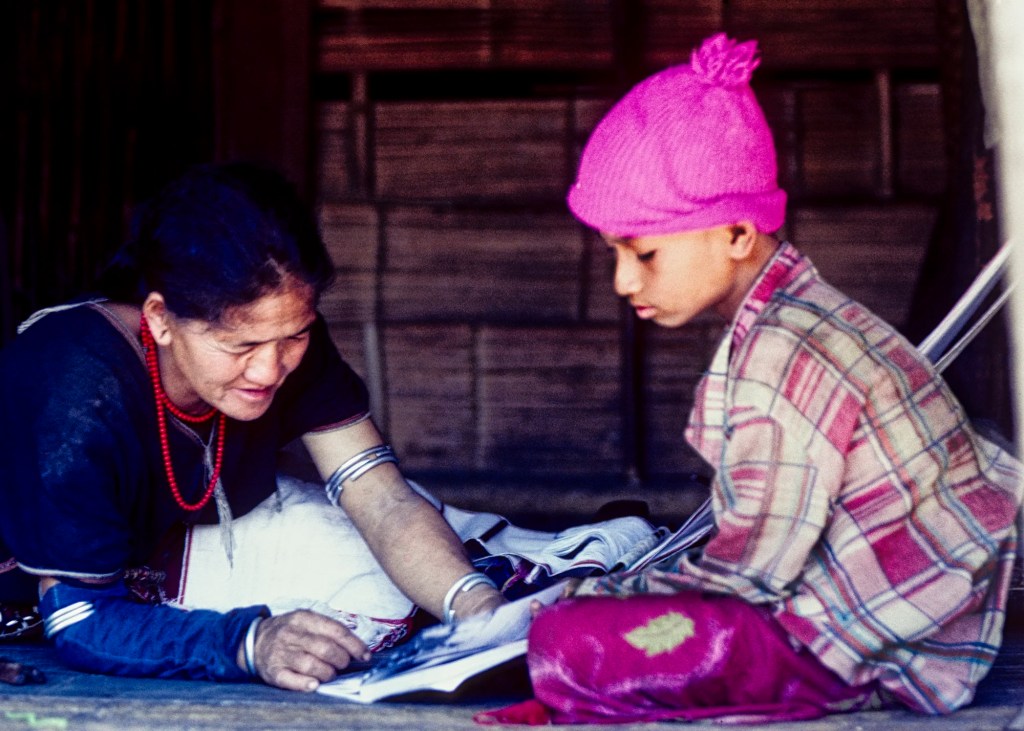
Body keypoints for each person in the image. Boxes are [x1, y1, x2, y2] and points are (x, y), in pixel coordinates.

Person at [481, 33, 1024, 725]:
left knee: (566, 637)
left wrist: (615, 597)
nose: (623, 281)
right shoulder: (799, 314)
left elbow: (749, 574)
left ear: (737, 234)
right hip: (898, 615)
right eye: (614, 253)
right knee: (590, 615)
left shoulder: (782, 356)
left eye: (645, 253)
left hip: (855, 640)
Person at [0, 162, 504, 690]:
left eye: (295, 336)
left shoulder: (279, 332)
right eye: (240, 345)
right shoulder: (73, 384)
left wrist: (482, 611)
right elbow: (82, 620)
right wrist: (247, 642)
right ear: (160, 319)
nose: (269, 370)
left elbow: (383, 500)